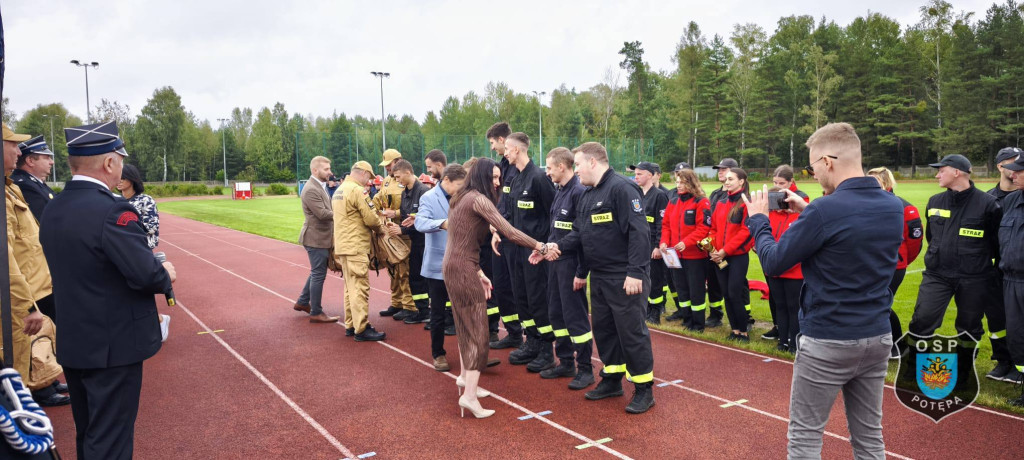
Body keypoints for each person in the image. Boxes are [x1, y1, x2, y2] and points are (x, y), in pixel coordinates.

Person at [744, 122, 903, 458]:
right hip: (876, 334)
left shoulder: (824, 210)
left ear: (828, 161)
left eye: (812, 166)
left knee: (804, 437)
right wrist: (807, 212)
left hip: (829, 337)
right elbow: (850, 232)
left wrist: (759, 220)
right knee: (870, 438)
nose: (813, 174)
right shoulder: (892, 205)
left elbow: (773, 262)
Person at [40, 121, 177, 458]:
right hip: (112, 345)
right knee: (111, 440)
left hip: (75, 340)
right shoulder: (113, 210)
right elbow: (145, 273)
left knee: (89, 433)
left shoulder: (53, 206)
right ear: (110, 163)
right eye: (118, 159)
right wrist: (165, 272)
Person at [545, 142, 656, 414]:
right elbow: (580, 235)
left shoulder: (621, 188)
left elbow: (639, 234)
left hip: (625, 277)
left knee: (631, 333)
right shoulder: (587, 194)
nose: (577, 169)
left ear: (592, 162)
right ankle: (612, 379)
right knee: (605, 332)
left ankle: (644, 389)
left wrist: (635, 273)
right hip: (601, 276)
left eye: (579, 164)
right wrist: (555, 248)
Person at [444, 157, 547, 418]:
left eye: (499, 177)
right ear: (481, 177)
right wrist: (542, 246)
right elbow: (509, 231)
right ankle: (469, 396)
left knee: (464, 323)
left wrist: (478, 271)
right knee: (478, 332)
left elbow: (462, 238)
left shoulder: (461, 198)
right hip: (463, 267)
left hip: (456, 265)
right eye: (494, 178)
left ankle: (465, 379)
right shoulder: (479, 199)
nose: (498, 182)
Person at [907, 154, 1011, 381]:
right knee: (922, 319)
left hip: (974, 277)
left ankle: (964, 369)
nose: (936, 175)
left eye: (941, 170)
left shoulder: (988, 204)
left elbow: (996, 243)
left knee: (969, 326)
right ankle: (914, 364)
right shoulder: (935, 201)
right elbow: (932, 237)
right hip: (937, 275)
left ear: (957, 172)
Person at [3, 124, 69, 407]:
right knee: (22, 352)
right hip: (22, 291)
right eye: (13, 145)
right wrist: (26, 304)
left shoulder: (11, 188)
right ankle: (32, 397)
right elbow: (5, 256)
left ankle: (43, 382)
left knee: (38, 341)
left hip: (33, 282)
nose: (18, 151)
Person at [535, 147, 594, 388]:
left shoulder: (579, 193)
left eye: (549, 168)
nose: (547, 173)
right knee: (556, 314)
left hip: (571, 264)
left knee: (575, 317)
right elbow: (554, 230)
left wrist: (581, 272)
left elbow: (581, 235)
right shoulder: (559, 191)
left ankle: (586, 369)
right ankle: (566, 361)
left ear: (562, 166)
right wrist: (544, 249)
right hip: (555, 264)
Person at [499, 132, 556, 372]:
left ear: (518, 150)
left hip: (535, 251)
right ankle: (531, 341)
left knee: (537, 298)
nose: (504, 153)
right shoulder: (514, 178)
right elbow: (508, 213)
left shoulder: (539, 178)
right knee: (521, 296)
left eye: (507, 149)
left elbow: (552, 213)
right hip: (515, 250)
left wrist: (544, 246)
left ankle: (546, 349)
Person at [334, 161, 400, 341]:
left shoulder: (340, 189)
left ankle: (351, 324)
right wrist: (381, 230)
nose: (368, 182)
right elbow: (371, 218)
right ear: (363, 173)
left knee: (350, 287)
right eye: (368, 177)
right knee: (360, 287)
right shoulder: (357, 190)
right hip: (356, 245)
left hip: (343, 245)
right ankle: (361, 328)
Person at [866, 167, 923, 359]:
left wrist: (901, 260)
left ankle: (896, 345)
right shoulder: (865, 204)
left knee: (881, 304)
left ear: (887, 183)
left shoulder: (904, 207)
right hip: (868, 264)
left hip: (892, 266)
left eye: (875, 181)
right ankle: (880, 343)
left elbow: (915, 242)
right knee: (873, 303)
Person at [415, 164, 467, 371]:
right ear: (446, 180)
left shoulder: (464, 197)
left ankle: (472, 355)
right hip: (438, 266)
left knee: (466, 313)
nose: (462, 189)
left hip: (462, 264)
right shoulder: (428, 198)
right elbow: (420, 223)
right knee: (437, 314)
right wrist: (442, 223)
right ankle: (438, 354)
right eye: (459, 185)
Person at [486, 122, 525, 351]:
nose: (492, 148)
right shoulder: (502, 165)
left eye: (492, 143)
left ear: (502, 140)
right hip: (500, 234)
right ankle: (513, 332)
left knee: (517, 288)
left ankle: (527, 336)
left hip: (514, 239)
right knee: (502, 286)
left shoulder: (519, 171)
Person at [763, 165, 809, 352]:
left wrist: (796, 211)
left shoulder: (802, 203)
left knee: (794, 306)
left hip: (794, 268)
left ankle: (795, 342)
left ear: (791, 183)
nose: (778, 187)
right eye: (775, 183)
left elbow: (804, 235)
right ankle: (783, 341)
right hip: (774, 266)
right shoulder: (773, 206)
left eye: (781, 183)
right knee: (779, 304)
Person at [660, 166, 711, 331]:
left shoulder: (701, 202)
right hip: (675, 255)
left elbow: (704, 228)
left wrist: (687, 242)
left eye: (682, 182)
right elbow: (666, 225)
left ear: (691, 183)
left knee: (696, 290)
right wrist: (664, 243)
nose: (679, 185)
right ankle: (687, 319)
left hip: (695, 255)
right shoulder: (673, 201)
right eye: (677, 182)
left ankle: (698, 324)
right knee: (681, 289)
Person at [708, 168, 754, 341]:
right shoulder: (721, 203)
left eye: (731, 179)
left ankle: (744, 331)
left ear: (741, 181)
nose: (726, 182)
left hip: (737, 257)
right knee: (726, 294)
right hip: (719, 257)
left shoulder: (746, 203)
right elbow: (713, 229)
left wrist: (724, 250)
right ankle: (734, 330)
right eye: (725, 179)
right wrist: (712, 249)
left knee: (735, 293)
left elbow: (745, 232)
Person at [294, 156, 339, 324]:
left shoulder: (319, 185)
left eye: (329, 168)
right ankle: (316, 312)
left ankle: (303, 301)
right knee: (318, 274)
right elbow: (322, 214)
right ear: (315, 170)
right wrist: (345, 214)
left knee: (316, 271)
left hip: (319, 237)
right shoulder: (311, 189)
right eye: (326, 169)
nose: (330, 172)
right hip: (315, 238)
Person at [375, 149, 416, 321]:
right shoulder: (386, 181)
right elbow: (378, 199)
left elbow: (413, 207)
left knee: (404, 269)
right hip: (390, 232)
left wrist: (396, 213)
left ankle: (409, 305)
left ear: (398, 161)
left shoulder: (408, 181)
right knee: (393, 269)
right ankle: (397, 302)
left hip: (404, 232)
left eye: (389, 165)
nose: (387, 169)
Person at [629, 162, 669, 325]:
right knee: (643, 280)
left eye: (640, 174)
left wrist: (658, 246)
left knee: (655, 281)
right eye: (635, 174)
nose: (636, 177)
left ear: (651, 175)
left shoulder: (659, 195)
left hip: (653, 246)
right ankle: (644, 309)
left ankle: (655, 312)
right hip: (640, 246)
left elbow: (662, 223)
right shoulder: (636, 194)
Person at [998, 154, 1024, 399]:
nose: (1012, 175)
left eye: (1018, 171)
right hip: (1010, 281)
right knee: (1016, 337)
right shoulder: (1012, 200)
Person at [394, 159, 431, 324]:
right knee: (415, 276)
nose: (397, 180)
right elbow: (405, 217)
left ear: (408, 172)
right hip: (414, 241)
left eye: (398, 176)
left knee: (424, 278)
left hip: (426, 241)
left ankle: (427, 311)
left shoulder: (423, 191)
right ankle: (421, 310)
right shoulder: (404, 193)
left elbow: (424, 220)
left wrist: (402, 230)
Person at [12, 135, 57, 222]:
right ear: (30, 161)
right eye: (47, 157)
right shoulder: (25, 186)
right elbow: (43, 223)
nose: (52, 162)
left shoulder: (34, 183)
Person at [117, 163, 160, 249]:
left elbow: (151, 227)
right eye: (118, 177)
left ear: (132, 179)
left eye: (123, 178)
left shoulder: (146, 201)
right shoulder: (115, 200)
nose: (119, 180)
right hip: (120, 248)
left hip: (141, 248)